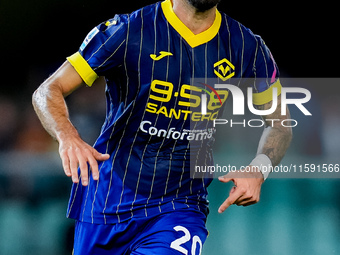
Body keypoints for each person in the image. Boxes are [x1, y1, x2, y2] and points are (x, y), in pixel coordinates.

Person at [32, 0, 292, 254]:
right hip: (107, 201)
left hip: (181, 204)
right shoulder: (128, 30)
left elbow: (281, 124)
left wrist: (259, 169)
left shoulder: (248, 47)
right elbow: (48, 90)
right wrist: (68, 136)